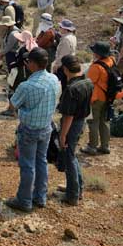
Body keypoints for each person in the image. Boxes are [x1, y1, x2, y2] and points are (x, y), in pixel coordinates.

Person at [4, 48, 60, 213]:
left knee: (27, 165)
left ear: (33, 64)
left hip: (29, 129)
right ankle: (40, 197)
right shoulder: (54, 79)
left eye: (29, 61)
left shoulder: (27, 86)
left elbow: (13, 104)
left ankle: (24, 201)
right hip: (46, 127)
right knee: (41, 162)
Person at [55, 56, 92, 206]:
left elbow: (68, 115)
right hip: (81, 121)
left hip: (71, 124)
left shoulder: (71, 89)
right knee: (72, 155)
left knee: (68, 157)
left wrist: (62, 135)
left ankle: (72, 195)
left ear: (65, 69)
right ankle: (77, 188)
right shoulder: (87, 82)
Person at [82, 42, 116, 156]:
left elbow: (89, 82)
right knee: (105, 120)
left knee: (93, 122)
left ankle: (92, 146)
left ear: (98, 53)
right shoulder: (111, 60)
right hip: (108, 96)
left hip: (96, 97)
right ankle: (105, 146)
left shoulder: (96, 67)